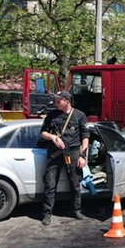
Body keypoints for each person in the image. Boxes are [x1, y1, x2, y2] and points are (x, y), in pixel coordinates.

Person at [39, 91, 89, 225]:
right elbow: (43, 132)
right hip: (55, 153)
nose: (55, 103)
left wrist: (83, 156)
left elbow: (85, 137)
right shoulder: (52, 115)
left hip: (73, 153)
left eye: (58, 101)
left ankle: (76, 211)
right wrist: (53, 137)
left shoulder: (79, 115)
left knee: (75, 184)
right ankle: (47, 214)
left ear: (67, 101)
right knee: (50, 184)